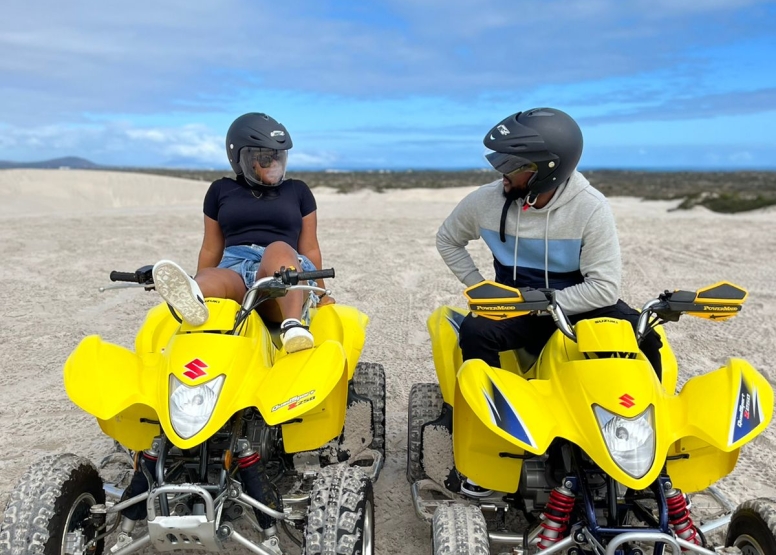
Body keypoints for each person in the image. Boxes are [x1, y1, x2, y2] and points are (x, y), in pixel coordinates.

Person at [436, 107, 663, 375]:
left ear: (547, 170)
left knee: (645, 339)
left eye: (513, 164)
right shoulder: (484, 201)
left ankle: (648, 414)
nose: (502, 173)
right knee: (476, 332)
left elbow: (603, 289)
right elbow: (448, 239)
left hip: (581, 304)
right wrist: (480, 286)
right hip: (516, 302)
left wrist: (544, 304)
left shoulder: (590, 207)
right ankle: (488, 411)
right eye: (501, 161)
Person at [152, 112, 334, 353]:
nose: (275, 164)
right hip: (235, 267)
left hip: (280, 275)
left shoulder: (298, 191)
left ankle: (292, 325)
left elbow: (310, 247)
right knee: (212, 279)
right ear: (241, 159)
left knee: (278, 248)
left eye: (278, 157)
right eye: (265, 158)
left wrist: (321, 294)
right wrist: (201, 275)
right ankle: (193, 295)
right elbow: (210, 248)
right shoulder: (220, 190)